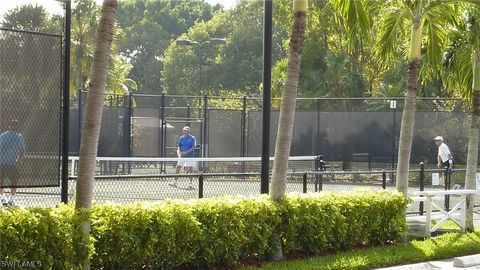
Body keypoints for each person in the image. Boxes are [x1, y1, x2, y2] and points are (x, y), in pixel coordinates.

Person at [0, 119, 26, 206]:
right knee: (14, 181)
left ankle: (2, 199)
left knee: (1, 181)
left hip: (1, 162)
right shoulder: (19, 136)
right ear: (17, 126)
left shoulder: (3, 135)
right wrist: (19, 158)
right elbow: (23, 151)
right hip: (12, 163)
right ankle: (11, 200)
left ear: (9, 126)